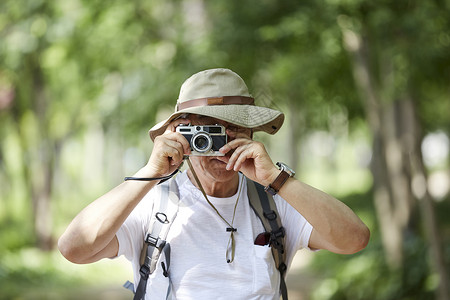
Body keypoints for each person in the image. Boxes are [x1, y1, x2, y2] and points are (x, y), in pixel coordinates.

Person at [58, 68, 370, 299]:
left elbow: (353, 240)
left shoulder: (274, 202)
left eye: (233, 129)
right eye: (209, 132)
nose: (221, 144)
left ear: (251, 134)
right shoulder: (152, 205)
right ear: (181, 132)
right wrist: (150, 172)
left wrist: (276, 178)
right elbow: (74, 248)